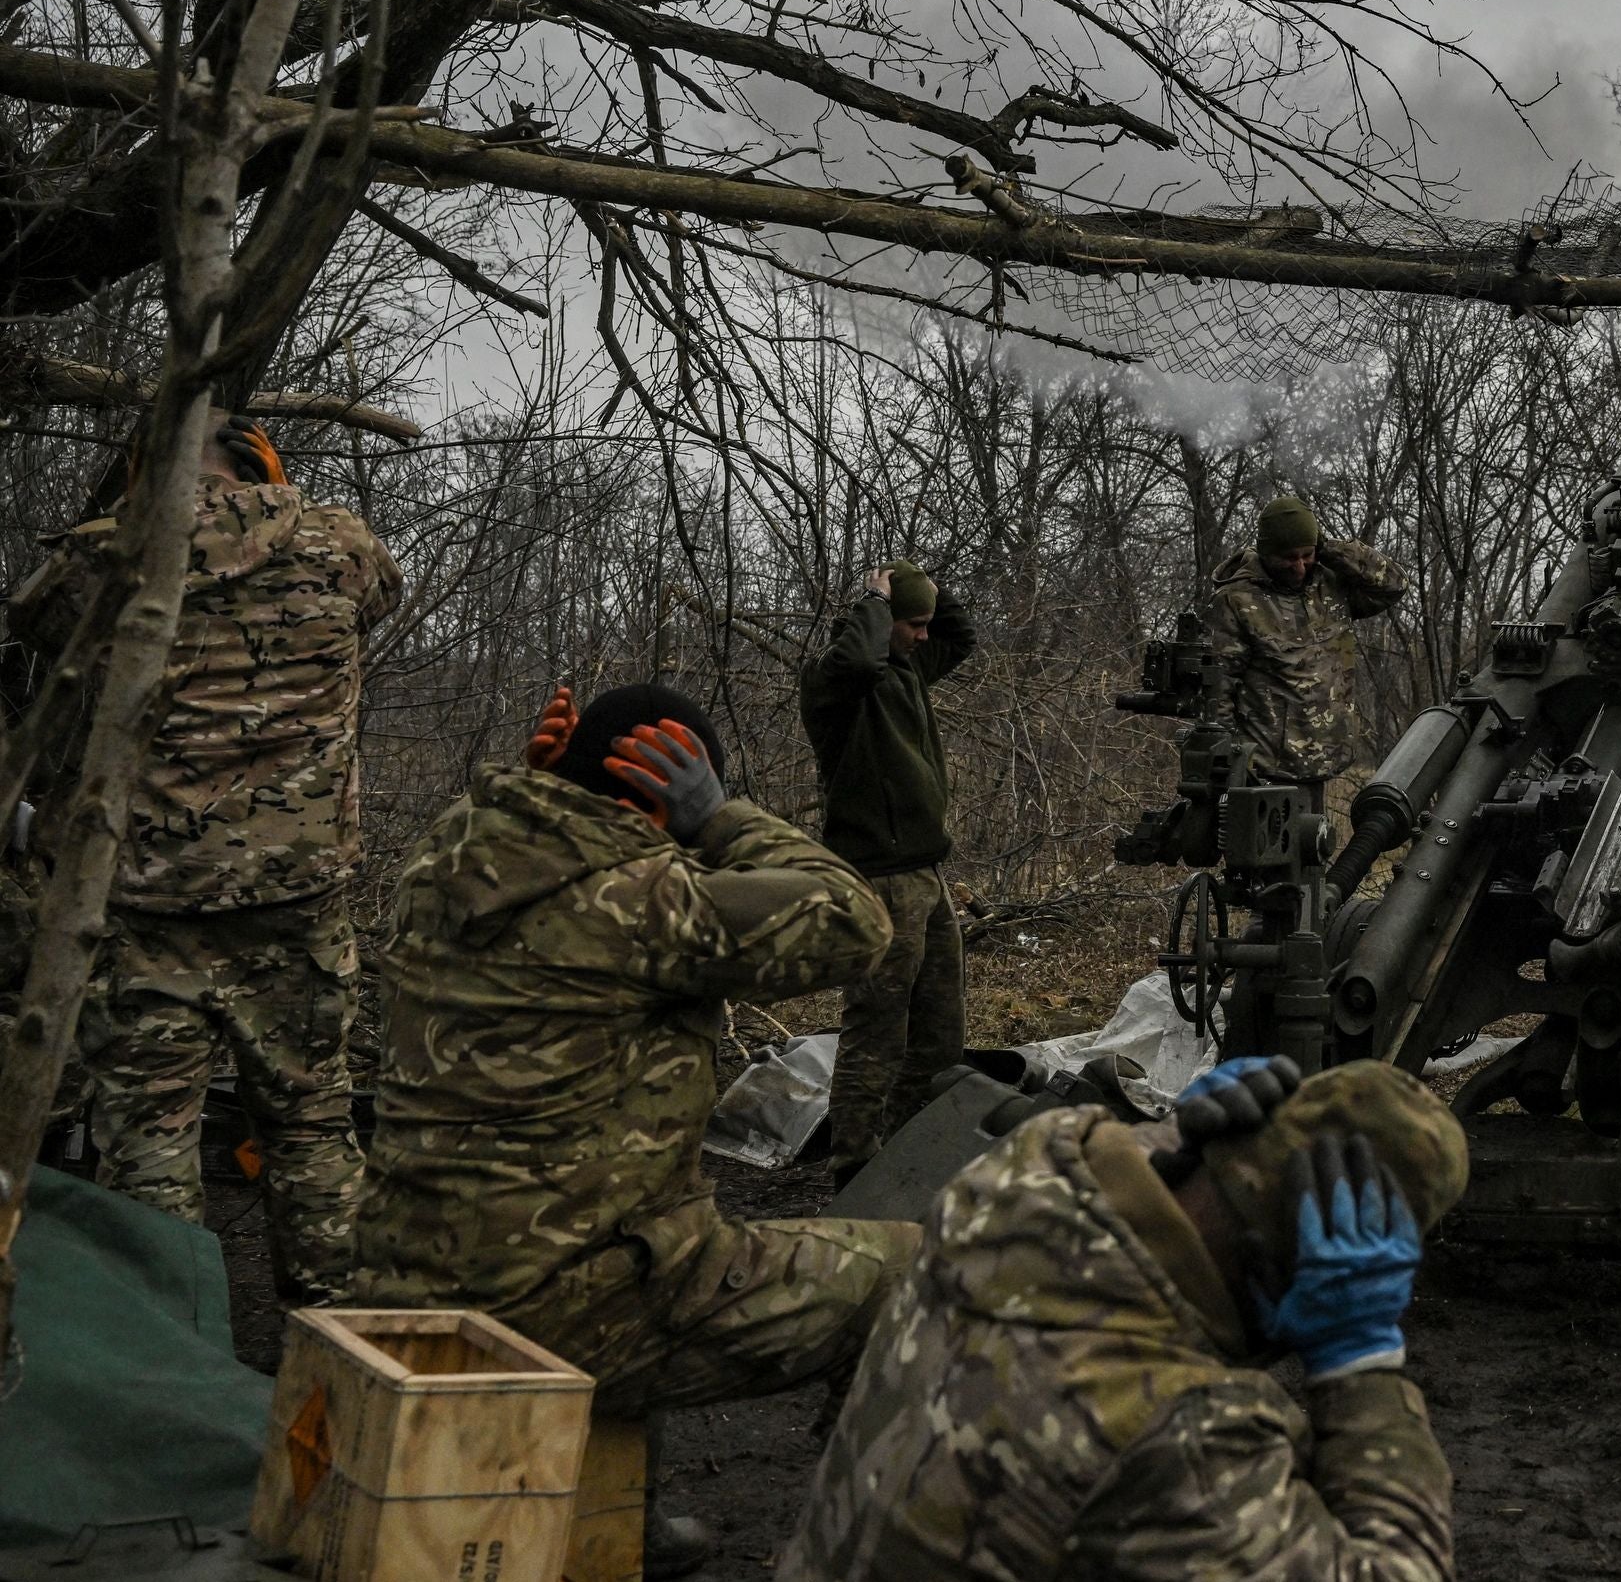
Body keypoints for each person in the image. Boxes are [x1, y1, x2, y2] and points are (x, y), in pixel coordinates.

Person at [352, 682, 915, 1578]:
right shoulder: (645, 901)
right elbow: (855, 923)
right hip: (550, 1307)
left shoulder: (445, 860)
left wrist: (548, 791)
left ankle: (613, 1516)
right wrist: (722, 816)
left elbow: (526, 827)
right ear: (660, 801)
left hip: (399, 1273)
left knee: (640, 1210)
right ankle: (869, 1549)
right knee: (915, 1274)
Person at [778, 1056, 1466, 1582]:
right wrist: (1361, 1361)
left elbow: (1140, 1208)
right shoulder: (1188, 1439)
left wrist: (1174, 1137)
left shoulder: (1030, 1169)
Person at [8, 415, 399, 1304]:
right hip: (295, 893)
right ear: (265, 468)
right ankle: (341, 1359)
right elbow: (382, 597)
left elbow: (36, 619)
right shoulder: (339, 543)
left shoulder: (105, 559)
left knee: (147, 1142)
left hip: (146, 904)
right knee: (310, 1125)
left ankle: (171, 1372)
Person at [799, 560, 978, 1180]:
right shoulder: (837, 685)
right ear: (881, 623)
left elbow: (962, 635)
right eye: (912, 625)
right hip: (877, 878)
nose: (925, 636)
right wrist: (875, 600)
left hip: (927, 875)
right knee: (878, 1025)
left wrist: (920, 576)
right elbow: (855, 662)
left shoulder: (908, 669)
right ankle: (854, 1161)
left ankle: (909, 1148)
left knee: (939, 1026)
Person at [1206, 495, 1407, 809]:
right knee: (1270, 855)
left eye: (1307, 555)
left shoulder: (1329, 585)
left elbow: (1393, 584)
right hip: (1267, 770)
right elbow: (1219, 688)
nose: (1299, 567)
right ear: (1266, 552)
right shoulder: (1238, 599)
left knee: (1316, 851)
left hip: (1324, 760)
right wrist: (1233, 764)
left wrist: (1328, 548)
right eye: (1288, 558)